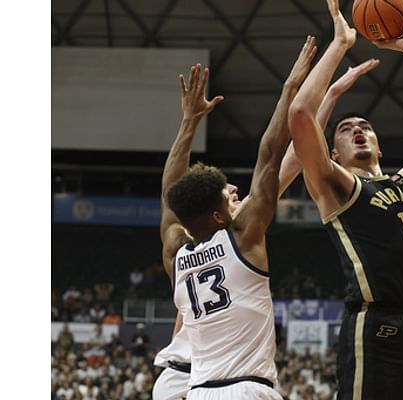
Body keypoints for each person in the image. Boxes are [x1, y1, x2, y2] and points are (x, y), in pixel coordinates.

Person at [287, 0, 403, 398]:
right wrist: (339, 48)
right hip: (373, 327)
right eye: (346, 129)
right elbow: (301, 114)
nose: (358, 130)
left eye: (366, 127)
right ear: (332, 152)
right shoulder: (335, 185)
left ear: (379, 146)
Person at [153, 36, 317, 400]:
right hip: (247, 389)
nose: (235, 201)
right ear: (217, 215)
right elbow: (271, 155)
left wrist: (189, 122)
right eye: (228, 201)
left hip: (197, 391)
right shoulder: (241, 237)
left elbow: (169, 197)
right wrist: (290, 88)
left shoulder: (177, 255)